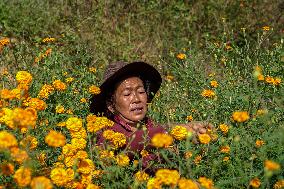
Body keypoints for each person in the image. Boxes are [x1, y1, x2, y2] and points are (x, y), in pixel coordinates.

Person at [90, 61, 211, 170]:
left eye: (141, 91)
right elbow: (130, 143)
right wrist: (171, 130)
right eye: (127, 94)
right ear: (111, 105)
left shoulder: (151, 126)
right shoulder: (105, 132)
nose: (136, 99)